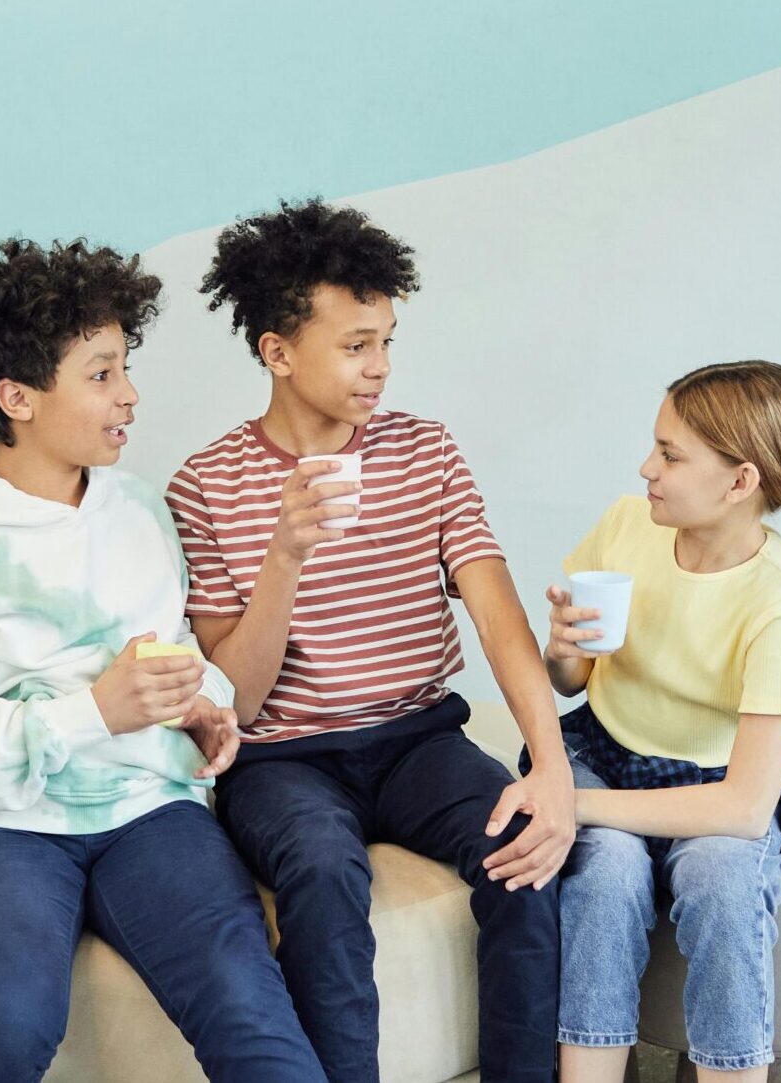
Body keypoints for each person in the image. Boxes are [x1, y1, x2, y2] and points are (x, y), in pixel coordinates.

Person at [0, 238, 326, 1083]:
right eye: (101, 372)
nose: (130, 394)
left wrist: (203, 708)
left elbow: (175, 657)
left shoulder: (139, 510)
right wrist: (94, 712)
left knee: (254, 1016)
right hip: (6, 825)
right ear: (18, 398)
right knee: (6, 1023)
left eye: (125, 367)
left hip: (152, 813)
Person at [166, 198, 573, 1083]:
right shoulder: (204, 484)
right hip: (282, 760)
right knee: (318, 870)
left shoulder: (427, 451)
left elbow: (497, 614)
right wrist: (285, 552)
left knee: (525, 850)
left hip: (418, 738)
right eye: (355, 345)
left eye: (387, 340)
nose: (379, 367)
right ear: (277, 351)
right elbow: (234, 699)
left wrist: (550, 766)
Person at [526, 360, 781, 1082]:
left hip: (717, 781)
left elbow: (742, 805)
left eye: (670, 454)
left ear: (740, 482)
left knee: (724, 881)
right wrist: (563, 652)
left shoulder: (777, 605)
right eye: (655, 445)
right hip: (608, 748)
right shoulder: (626, 524)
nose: (647, 467)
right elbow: (572, 682)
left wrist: (567, 804)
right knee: (603, 874)